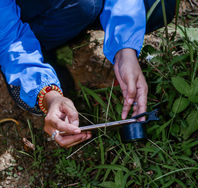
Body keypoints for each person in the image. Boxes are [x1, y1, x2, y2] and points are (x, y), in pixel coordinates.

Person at [0, 0, 176, 148]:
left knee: (159, 6)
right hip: (17, 23)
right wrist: (49, 96)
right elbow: (9, 39)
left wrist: (125, 50)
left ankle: (77, 20)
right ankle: (31, 70)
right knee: (85, 5)